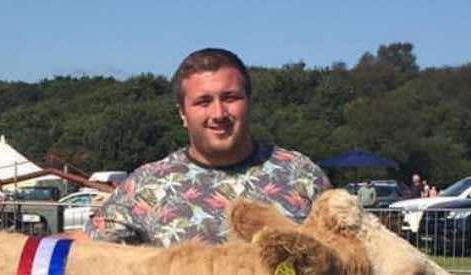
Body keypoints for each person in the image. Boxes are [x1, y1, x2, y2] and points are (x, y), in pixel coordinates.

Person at [84, 48, 332, 247]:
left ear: (249, 102)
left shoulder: (302, 176)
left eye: (230, 98)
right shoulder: (145, 185)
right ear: (183, 114)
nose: (218, 113)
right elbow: (88, 253)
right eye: (203, 102)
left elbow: (350, 258)